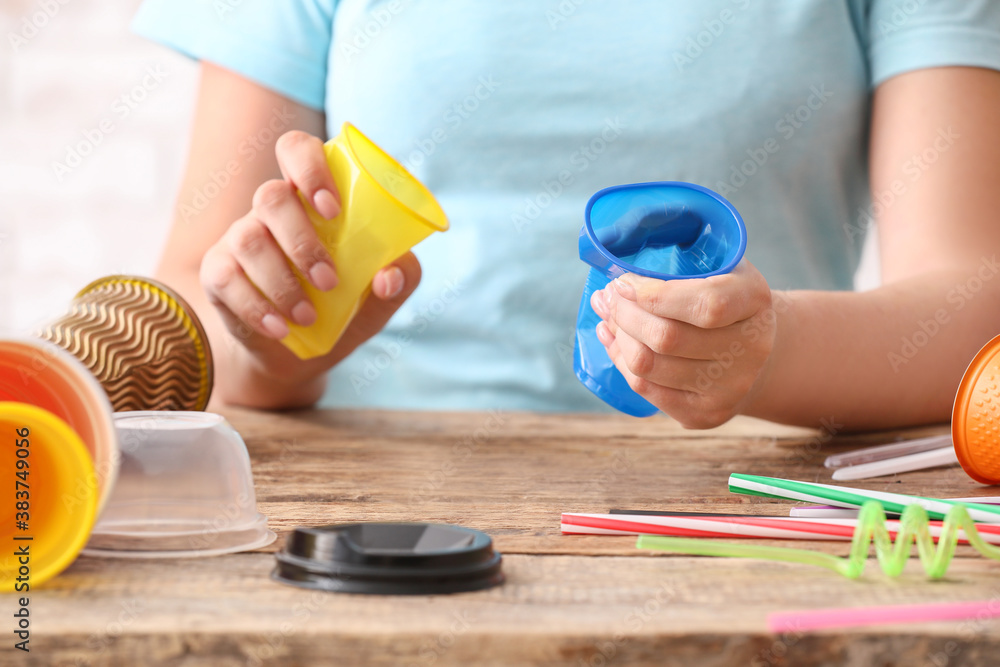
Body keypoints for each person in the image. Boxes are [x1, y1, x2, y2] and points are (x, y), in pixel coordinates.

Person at [134, 1, 1000, 430]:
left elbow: (975, 315)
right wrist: (274, 340)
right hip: (372, 517)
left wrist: (766, 353)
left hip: (745, 508)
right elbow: (188, 301)